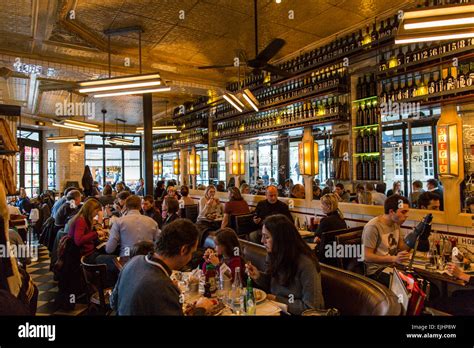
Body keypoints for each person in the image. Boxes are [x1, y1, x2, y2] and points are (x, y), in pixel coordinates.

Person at [110, 219, 214, 315]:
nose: (191, 257)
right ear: (183, 250)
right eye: (192, 252)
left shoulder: (134, 261)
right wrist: (201, 309)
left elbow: (113, 303)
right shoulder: (162, 286)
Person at [246, 214, 324, 315]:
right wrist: (258, 276)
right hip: (277, 310)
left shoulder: (306, 264)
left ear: (281, 239)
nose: (262, 241)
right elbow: (273, 286)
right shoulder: (274, 255)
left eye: (267, 237)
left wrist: (277, 299)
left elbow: (311, 308)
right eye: (262, 236)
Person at [362, 195, 412, 286]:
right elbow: (367, 256)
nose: (406, 216)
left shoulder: (395, 223)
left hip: (392, 266)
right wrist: (394, 258)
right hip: (376, 271)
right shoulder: (373, 227)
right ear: (391, 211)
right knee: (409, 285)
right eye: (403, 212)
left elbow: (401, 247)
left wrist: (414, 237)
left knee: (422, 283)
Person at [68, 198, 105, 263]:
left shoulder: (85, 218)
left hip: (88, 252)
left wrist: (99, 223)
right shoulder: (81, 221)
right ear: (91, 210)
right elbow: (79, 240)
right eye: (96, 212)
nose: (96, 215)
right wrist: (96, 233)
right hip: (85, 256)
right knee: (111, 258)